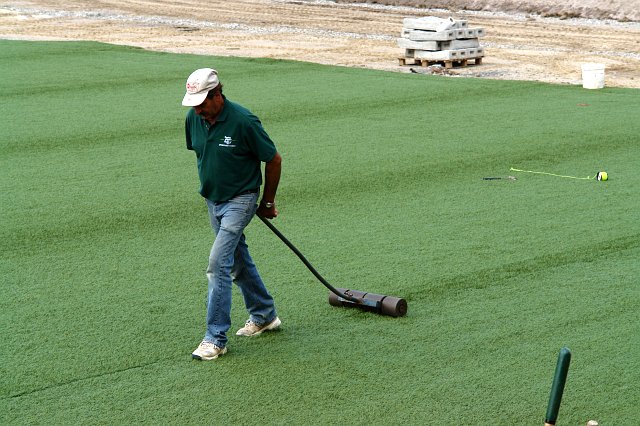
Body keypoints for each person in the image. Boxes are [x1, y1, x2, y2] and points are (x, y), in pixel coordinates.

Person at [182, 68, 282, 361]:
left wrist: (267, 201)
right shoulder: (193, 119)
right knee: (237, 260)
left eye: (201, 103)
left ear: (217, 95)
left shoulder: (243, 121)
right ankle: (264, 314)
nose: (197, 110)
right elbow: (203, 154)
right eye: (193, 104)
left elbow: (273, 159)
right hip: (213, 200)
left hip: (241, 199)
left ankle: (215, 338)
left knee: (217, 265)